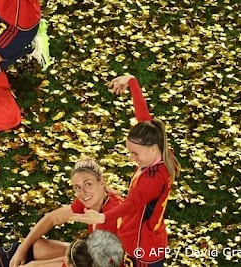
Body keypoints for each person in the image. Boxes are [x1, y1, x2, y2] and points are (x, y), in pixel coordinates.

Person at [0, 158, 124, 267]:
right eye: (77, 187)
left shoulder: (113, 215)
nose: (83, 192)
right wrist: (23, 249)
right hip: (89, 257)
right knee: (35, 246)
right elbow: (52, 218)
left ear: (102, 182)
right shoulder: (93, 200)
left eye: (88, 184)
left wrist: (36, 265)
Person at [73, 76, 179, 267]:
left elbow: (132, 204)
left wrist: (103, 217)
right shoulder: (159, 147)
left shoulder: (153, 180)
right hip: (148, 235)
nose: (132, 158)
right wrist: (132, 82)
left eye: (135, 153)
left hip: (143, 245)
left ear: (151, 148)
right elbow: (143, 117)